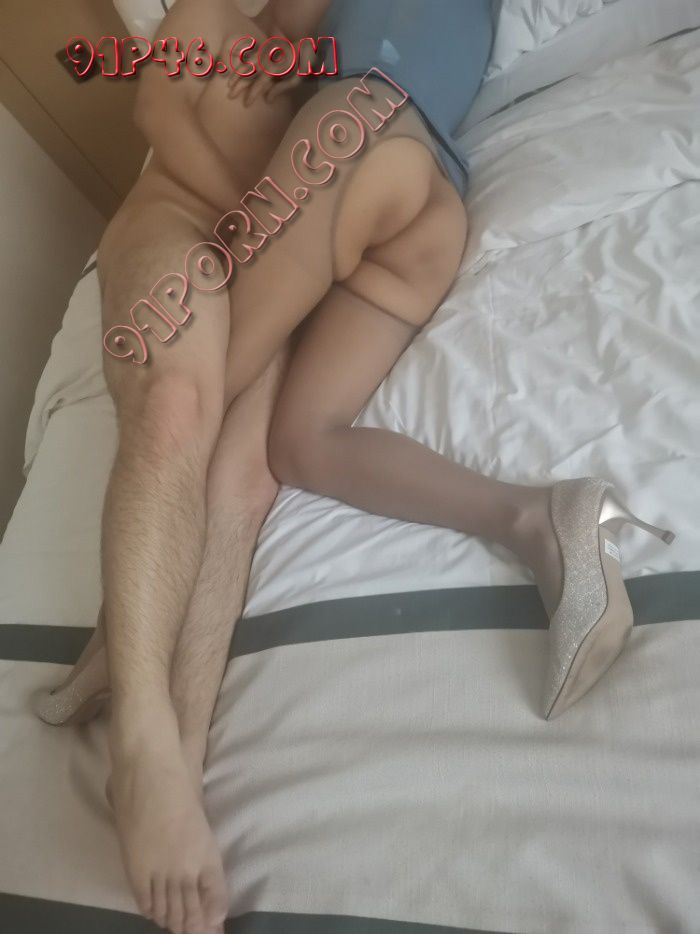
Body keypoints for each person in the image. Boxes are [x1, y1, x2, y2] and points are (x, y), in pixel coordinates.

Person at [34, 2, 674, 934]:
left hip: (350, 155)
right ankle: (541, 518)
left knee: (202, 428)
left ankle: (127, 658)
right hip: (393, 209)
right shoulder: (244, 24)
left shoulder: (333, 48)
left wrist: (289, 148)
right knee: (288, 449)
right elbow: (165, 109)